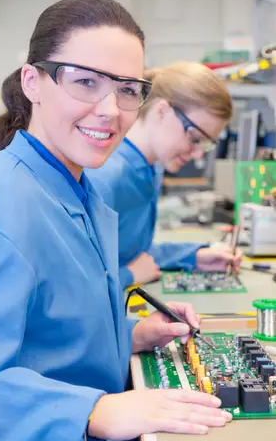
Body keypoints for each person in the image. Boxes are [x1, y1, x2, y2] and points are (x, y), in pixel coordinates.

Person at [0, 0, 232, 441]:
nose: (110, 110)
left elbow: (50, 334)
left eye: (128, 89)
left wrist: (129, 335)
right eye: (85, 82)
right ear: (33, 82)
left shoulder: (76, 186)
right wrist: (95, 409)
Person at [87, 62, 242, 289]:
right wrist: (128, 275)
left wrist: (194, 256)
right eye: (195, 138)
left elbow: (134, 253)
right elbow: (71, 287)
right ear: (162, 111)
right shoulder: (105, 176)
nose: (198, 153)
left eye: (206, 145)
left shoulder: (151, 169)